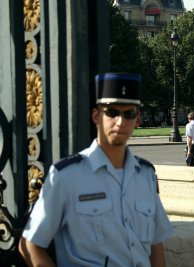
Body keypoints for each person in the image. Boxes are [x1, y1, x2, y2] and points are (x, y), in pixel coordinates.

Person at [19, 73, 174, 267]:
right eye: (112, 112)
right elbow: (30, 244)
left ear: (138, 119)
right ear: (96, 116)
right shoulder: (67, 176)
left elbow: (155, 244)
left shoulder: (145, 175)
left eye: (129, 113)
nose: (120, 121)